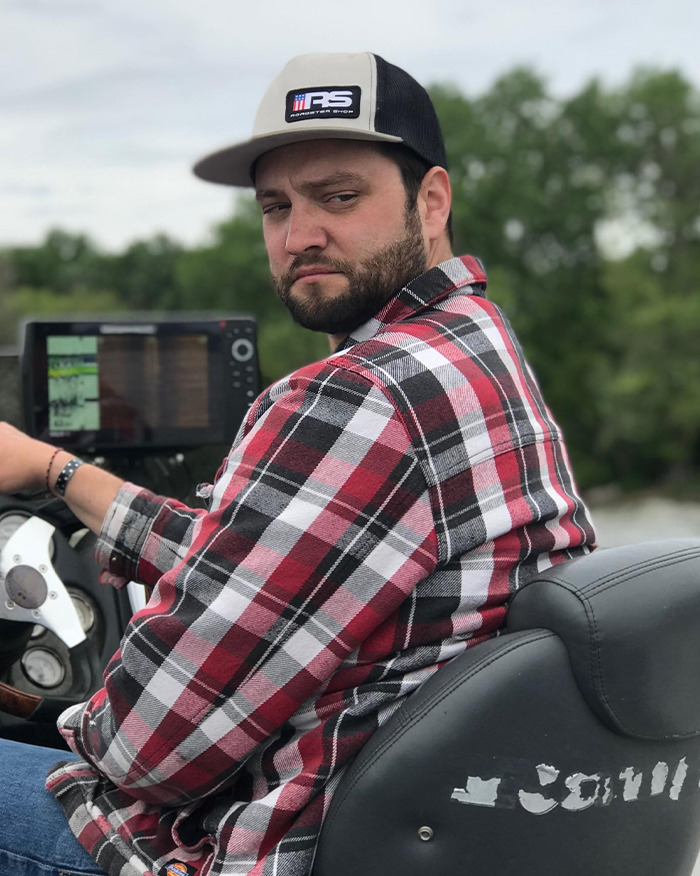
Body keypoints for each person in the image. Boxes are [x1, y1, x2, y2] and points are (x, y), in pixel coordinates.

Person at [0, 52, 595, 876]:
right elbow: (281, 563)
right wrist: (56, 471)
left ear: (432, 200)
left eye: (338, 197)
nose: (299, 235)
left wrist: (58, 711)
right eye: (276, 206)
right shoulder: (477, 349)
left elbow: (145, 751)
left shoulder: (356, 397)